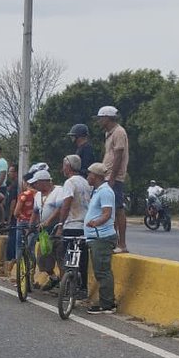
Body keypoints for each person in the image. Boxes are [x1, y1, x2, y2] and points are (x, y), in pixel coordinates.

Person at [49, 154, 91, 292]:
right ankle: (83, 287)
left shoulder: (70, 182)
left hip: (72, 224)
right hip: (84, 226)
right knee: (82, 258)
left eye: (64, 166)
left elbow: (66, 205)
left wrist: (60, 224)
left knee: (69, 258)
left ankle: (69, 285)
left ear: (68, 167)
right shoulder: (85, 182)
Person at [84, 162, 118, 314]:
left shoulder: (105, 192)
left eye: (89, 174)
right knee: (99, 270)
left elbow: (107, 214)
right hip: (94, 237)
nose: (87, 177)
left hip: (102, 237)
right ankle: (106, 301)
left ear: (96, 176)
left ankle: (108, 304)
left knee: (103, 270)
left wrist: (95, 223)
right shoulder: (97, 191)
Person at [97, 105, 130, 253]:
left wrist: (112, 177)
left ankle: (122, 244)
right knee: (109, 210)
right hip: (107, 175)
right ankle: (113, 241)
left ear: (107, 117)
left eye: (100, 118)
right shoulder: (108, 134)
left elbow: (118, 156)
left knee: (118, 209)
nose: (99, 121)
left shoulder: (119, 132)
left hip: (114, 177)